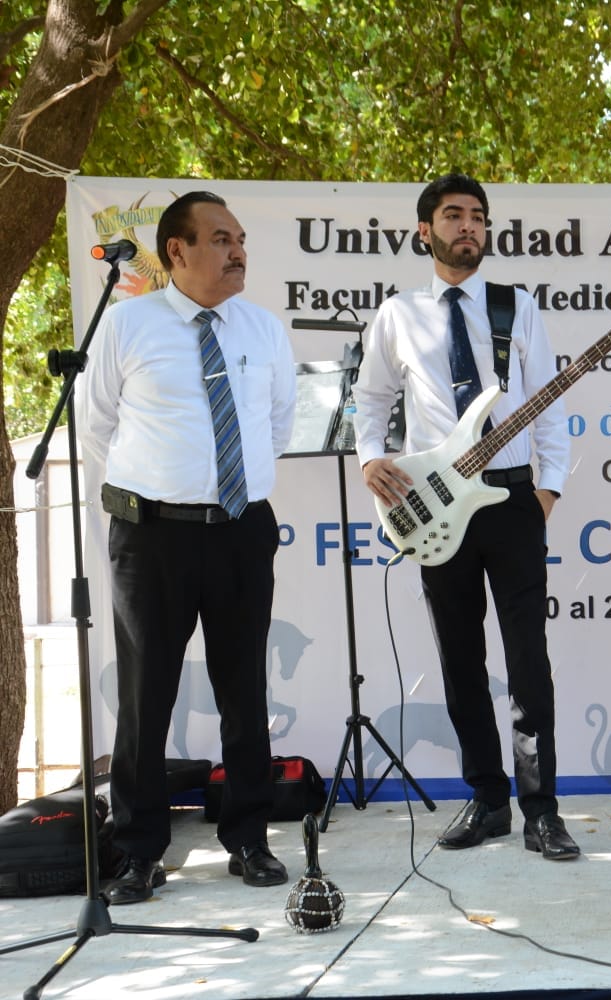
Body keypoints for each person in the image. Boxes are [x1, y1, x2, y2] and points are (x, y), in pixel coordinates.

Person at [79, 191, 297, 904]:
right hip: (153, 537)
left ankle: (249, 837)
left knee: (244, 688)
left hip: (240, 530)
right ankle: (139, 852)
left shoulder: (262, 329)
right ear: (177, 250)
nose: (238, 251)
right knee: (147, 697)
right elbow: (97, 424)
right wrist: (160, 489)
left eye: (240, 238)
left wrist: (230, 486)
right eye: (221, 238)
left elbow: (278, 422)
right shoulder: (127, 324)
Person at [353, 172, 579, 860]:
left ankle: (541, 809)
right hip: (434, 508)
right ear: (426, 231)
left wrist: (547, 493)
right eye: (454, 216)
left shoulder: (517, 307)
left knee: (528, 664)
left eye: (478, 216)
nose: (469, 227)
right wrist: (370, 460)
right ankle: (487, 800)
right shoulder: (397, 315)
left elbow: (550, 402)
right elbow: (369, 402)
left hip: (511, 501)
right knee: (459, 659)